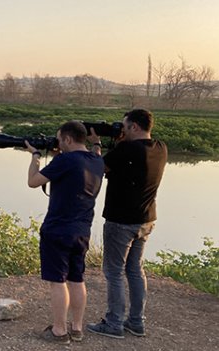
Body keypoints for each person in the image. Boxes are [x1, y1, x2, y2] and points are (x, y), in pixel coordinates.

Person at [87, 109, 167, 339]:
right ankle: (136, 322)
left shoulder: (126, 149)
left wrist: (96, 144)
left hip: (121, 221)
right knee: (134, 270)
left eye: (124, 126)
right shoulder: (161, 148)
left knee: (113, 272)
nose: (121, 130)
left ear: (133, 126)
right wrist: (118, 144)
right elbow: (127, 165)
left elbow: (97, 168)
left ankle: (113, 324)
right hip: (146, 219)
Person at [25, 121, 105, 345]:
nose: (58, 143)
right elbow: (96, 151)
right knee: (76, 279)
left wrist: (35, 156)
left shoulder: (65, 160)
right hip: (82, 230)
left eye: (60, 139)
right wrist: (97, 142)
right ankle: (77, 328)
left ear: (68, 139)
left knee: (58, 282)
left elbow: (33, 182)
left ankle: (59, 331)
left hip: (58, 229)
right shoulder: (97, 160)